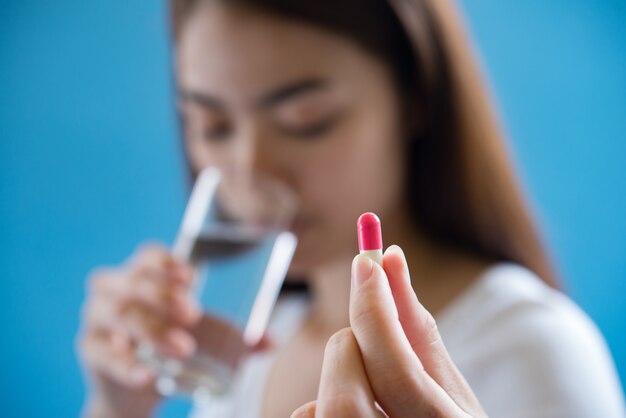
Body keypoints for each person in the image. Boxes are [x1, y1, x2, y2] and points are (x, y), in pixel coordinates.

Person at [77, 0, 626, 417]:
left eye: (306, 120)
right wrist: (116, 405)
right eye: (212, 127)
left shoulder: (529, 347)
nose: (250, 170)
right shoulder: (245, 353)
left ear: (415, 99)